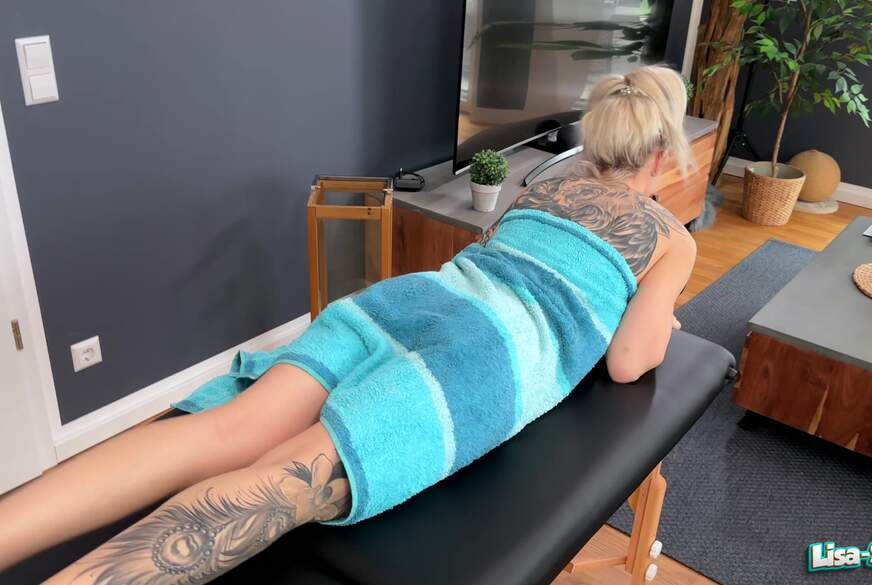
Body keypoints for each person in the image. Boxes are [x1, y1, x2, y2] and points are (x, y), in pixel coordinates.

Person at [0, 65, 696, 584]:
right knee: (288, 478)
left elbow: (496, 256)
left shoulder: (543, 184)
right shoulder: (668, 235)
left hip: (410, 299)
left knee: (226, 430)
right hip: (479, 354)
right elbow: (628, 361)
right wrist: (661, 310)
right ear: (663, 153)